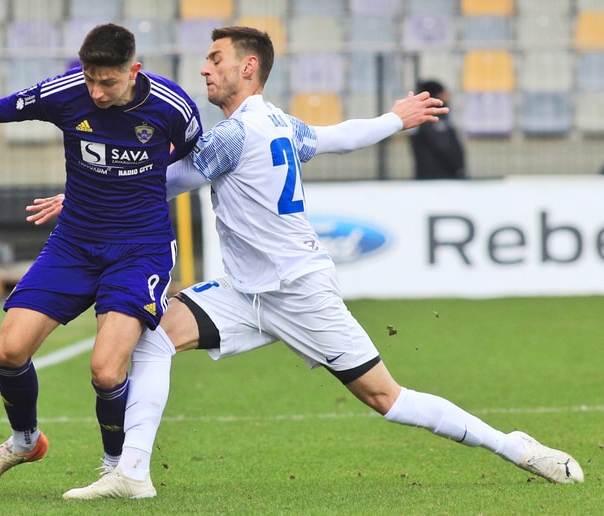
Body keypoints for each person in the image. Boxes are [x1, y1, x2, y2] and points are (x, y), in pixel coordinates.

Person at [33, 27, 583, 500]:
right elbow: (337, 137)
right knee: (152, 336)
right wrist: (394, 118)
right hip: (243, 292)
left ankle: (514, 446)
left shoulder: (234, 134)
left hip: (298, 292)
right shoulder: (280, 124)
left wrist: (86, 193)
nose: (204, 69)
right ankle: (133, 473)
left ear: (248, 68)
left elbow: (164, 181)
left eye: (216, 59)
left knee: (386, 399)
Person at [0, 23, 202, 485]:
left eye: (107, 81)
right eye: (90, 78)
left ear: (135, 71)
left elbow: (190, 160)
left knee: (107, 371)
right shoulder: (68, 92)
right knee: (9, 350)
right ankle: (25, 442)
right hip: (74, 243)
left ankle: (115, 470)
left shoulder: (174, 107)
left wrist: (125, 184)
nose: (97, 91)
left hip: (139, 249)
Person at [409, 79, 466, 180]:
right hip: (440, 177)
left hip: (431, 176)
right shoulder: (433, 118)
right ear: (437, 96)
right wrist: (458, 168)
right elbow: (444, 146)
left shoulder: (420, 116)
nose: (448, 96)